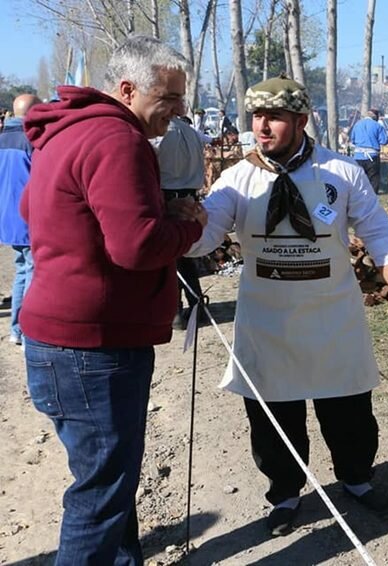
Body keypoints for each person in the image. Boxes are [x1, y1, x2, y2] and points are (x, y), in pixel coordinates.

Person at [186, 76, 388, 537]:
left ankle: (356, 480)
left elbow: (378, 234)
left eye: (273, 117)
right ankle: (286, 493)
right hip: (266, 320)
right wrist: (178, 222)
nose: (262, 127)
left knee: (349, 408)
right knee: (273, 415)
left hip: (332, 316)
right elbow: (206, 237)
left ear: (300, 120)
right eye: (256, 117)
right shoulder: (238, 178)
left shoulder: (342, 172)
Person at [20, 36, 206, 564]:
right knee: (100, 494)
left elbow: (40, 211)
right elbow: (137, 246)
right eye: (169, 98)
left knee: (106, 478)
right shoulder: (117, 140)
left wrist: (156, 220)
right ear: (127, 89)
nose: (179, 111)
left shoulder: (65, 131)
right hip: (93, 348)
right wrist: (189, 229)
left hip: (57, 338)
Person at [152, 116, 211, 329]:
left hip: (169, 198)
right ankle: (196, 305)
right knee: (184, 256)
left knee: (170, 256)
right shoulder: (191, 132)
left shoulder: (160, 132)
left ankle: (176, 309)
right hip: (190, 195)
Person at [0, 93, 41, 346]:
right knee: (32, 272)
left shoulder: (1, 139)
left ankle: (16, 328)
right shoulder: (33, 141)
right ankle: (25, 330)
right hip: (29, 218)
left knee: (22, 271)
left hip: (8, 218)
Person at [349, 108, 388, 193]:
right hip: (372, 156)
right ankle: (372, 195)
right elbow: (384, 141)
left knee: (360, 177)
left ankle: (359, 194)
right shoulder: (377, 126)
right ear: (376, 117)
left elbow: (352, 140)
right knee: (373, 177)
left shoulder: (357, 124)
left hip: (358, 156)